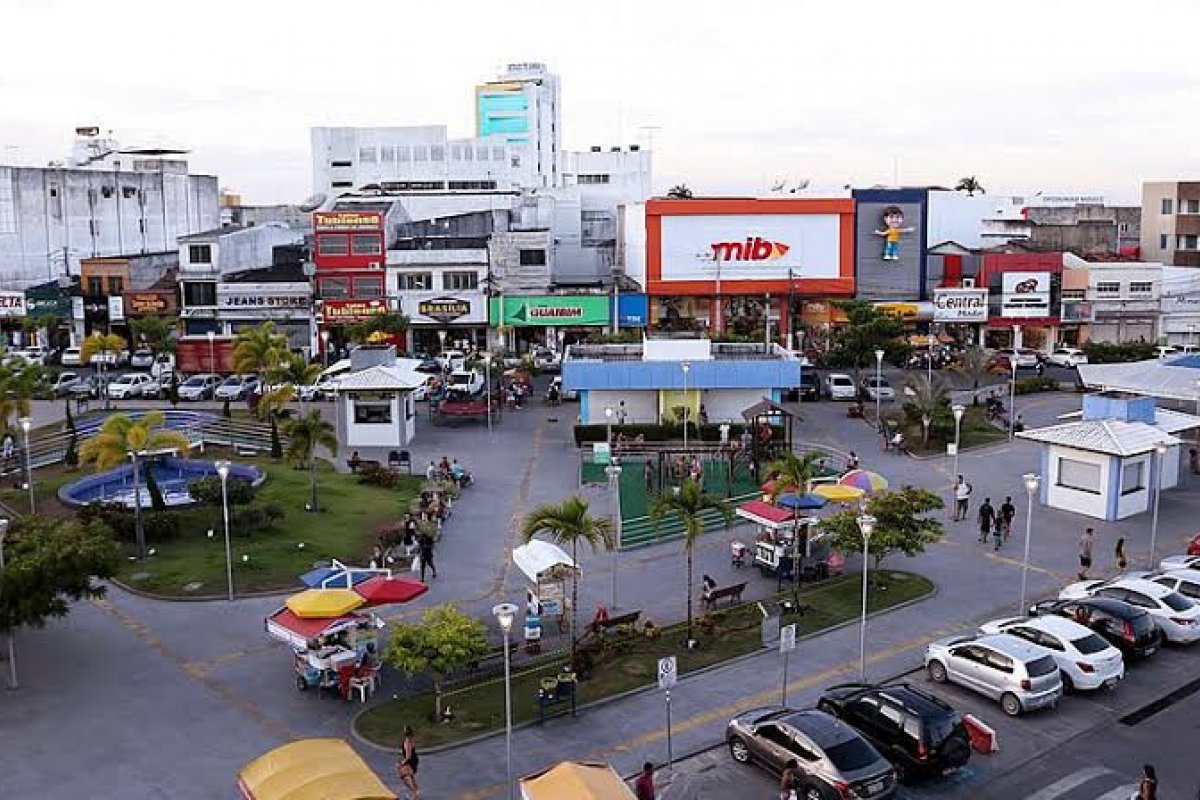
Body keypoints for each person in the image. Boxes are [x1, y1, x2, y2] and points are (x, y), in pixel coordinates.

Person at [396, 726, 420, 799]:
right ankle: (416, 794)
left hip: (410, 761)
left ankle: (414, 793)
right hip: (414, 760)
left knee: (403, 776)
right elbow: (410, 751)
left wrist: (402, 763)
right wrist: (402, 752)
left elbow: (408, 756)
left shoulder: (407, 742)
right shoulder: (411, 740)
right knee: (412, 776)